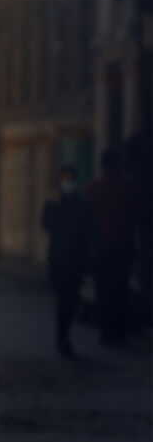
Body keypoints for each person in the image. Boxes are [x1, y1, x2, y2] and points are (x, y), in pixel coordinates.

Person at [40, 165, 95, 357]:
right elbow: (45, 224)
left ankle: (63, 333)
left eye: (69, 179)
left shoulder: (82, 202)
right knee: (63, 298)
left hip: (77, 259)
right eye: (63, 179)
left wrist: (90, 250)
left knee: (72, 300)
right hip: (58, 258)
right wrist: (55, 206)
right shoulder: (52, 201)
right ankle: (62, 336)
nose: (66, 182)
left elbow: (90, 227)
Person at [86, 149, 137, 345]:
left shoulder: (93, 188)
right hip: (123, 247)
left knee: (103, 290)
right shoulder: (128, 188)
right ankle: (119, 331)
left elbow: (86, 221)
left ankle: (106, 331)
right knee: (121, 289)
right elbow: (138, 219)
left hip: (100, 249)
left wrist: (88, 246)